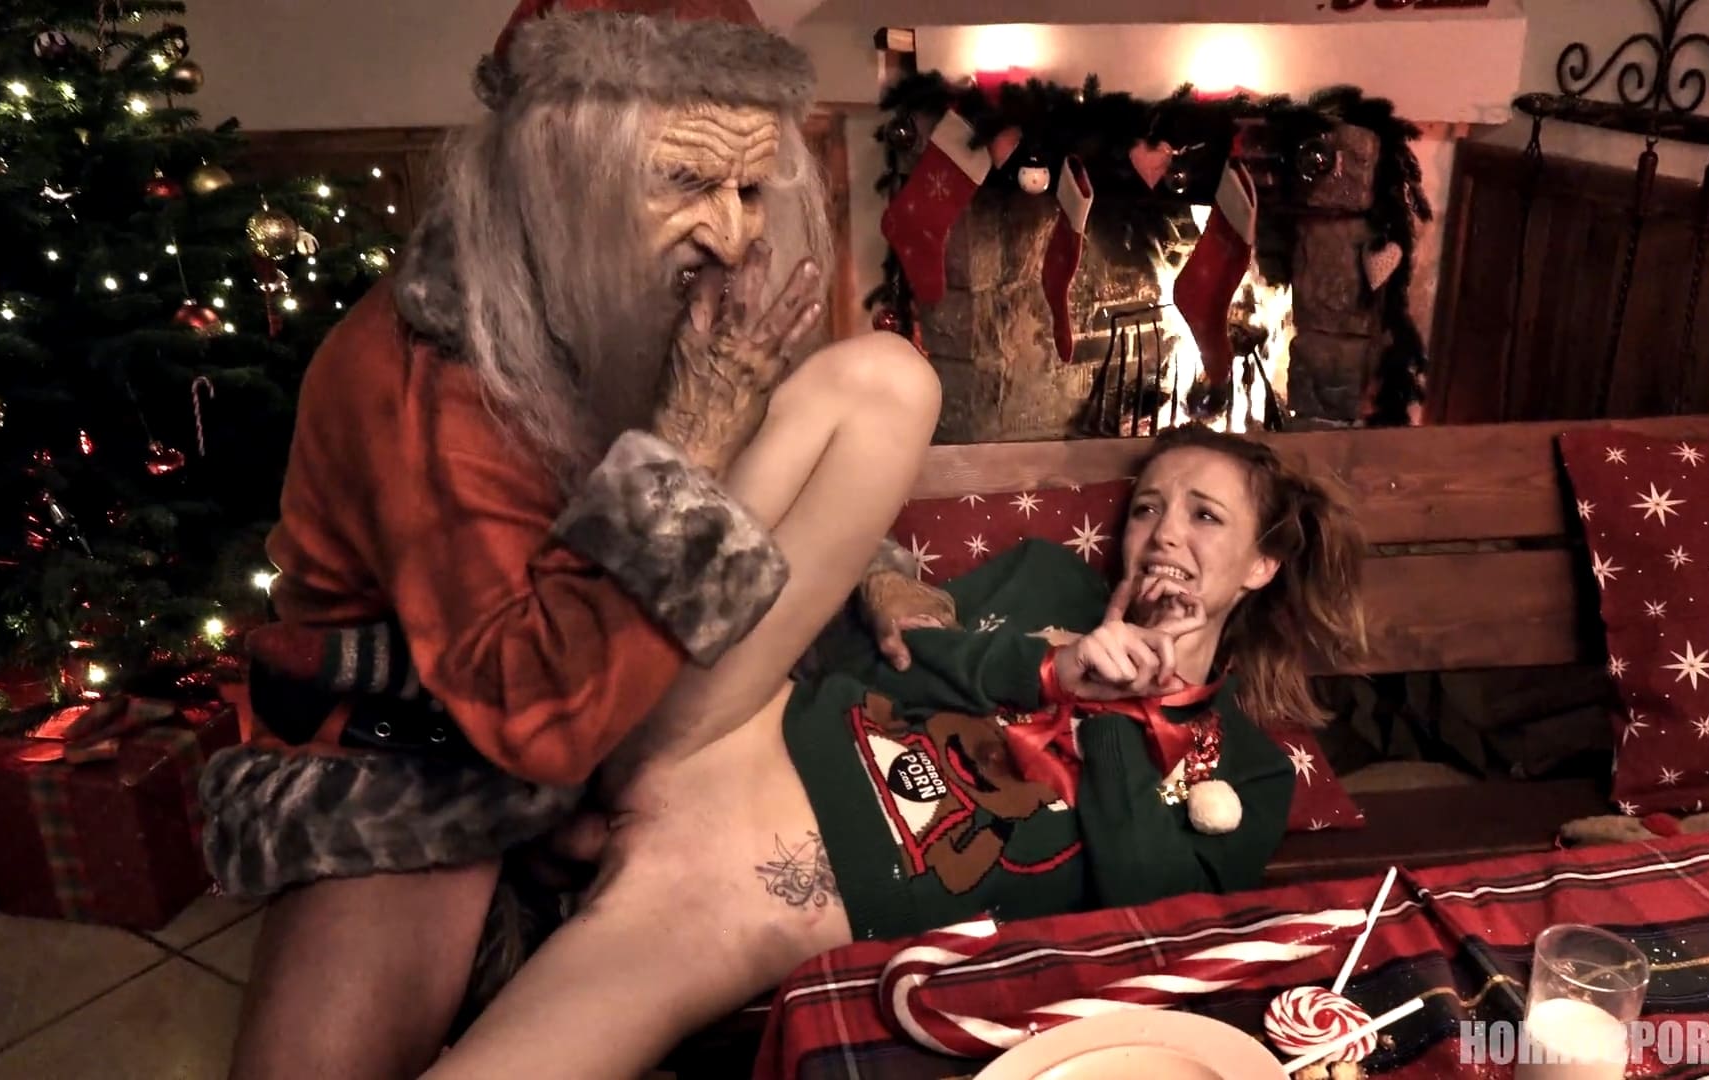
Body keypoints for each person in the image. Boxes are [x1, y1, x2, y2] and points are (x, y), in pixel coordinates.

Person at [196, 2, 955, 1077]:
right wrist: (686, 447)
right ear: (558, 176)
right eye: (685, 181)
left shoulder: (641, 288)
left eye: (748, 189)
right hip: (422, 735)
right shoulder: (418, 376)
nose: (734, 234)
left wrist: (868, 569)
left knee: (882, 376)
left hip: (627, 702)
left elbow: (766, 462)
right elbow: (530, 713)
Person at [305, 423, 1367, 1079]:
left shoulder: (1243, 770)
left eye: (1205, 517)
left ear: (1261, 566)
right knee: (878, 386)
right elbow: (891, 657)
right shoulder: (1048, 582)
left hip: (764, 897)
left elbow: (1143, 921)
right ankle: (440, 675)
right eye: (1146, 509)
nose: (1164, 534)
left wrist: (1118, 715)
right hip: (741, 738)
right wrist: (1046, 667)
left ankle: (526, 819)